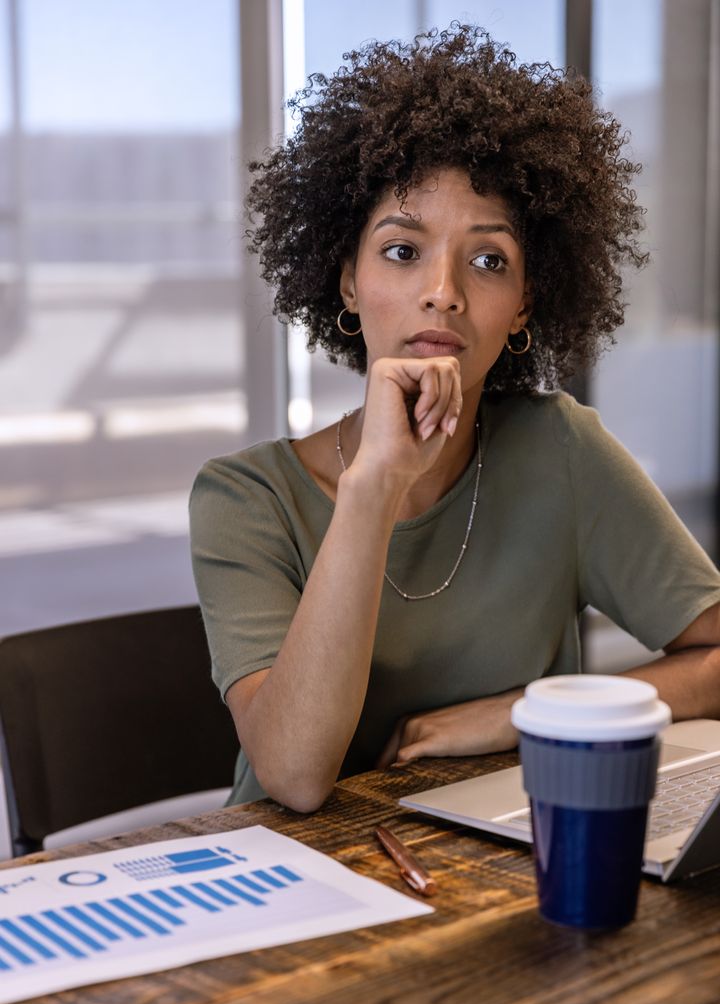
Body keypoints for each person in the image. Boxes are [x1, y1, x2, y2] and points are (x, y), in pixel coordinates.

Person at [190, 25, 720, 813]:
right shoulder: (242, 498)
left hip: (502, 868)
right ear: (346, 281)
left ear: (524, 308)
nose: (443, 291)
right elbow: (295, 776)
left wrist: (524, 715)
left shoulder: (560, 451)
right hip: (298, 886)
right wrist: (374, 481)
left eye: (488, 260)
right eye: (403, 251)